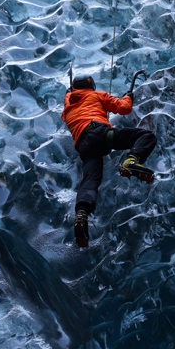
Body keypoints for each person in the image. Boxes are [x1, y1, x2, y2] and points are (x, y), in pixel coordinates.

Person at [60, 74, 157, 248]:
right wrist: (129, 96)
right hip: (99, 134)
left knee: (90, 180)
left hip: (84, 146)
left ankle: (82, 213)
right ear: (92, 86)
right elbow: (124, 108)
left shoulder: (68, 104)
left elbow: (67, 107)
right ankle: (131, 160)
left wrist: (69, 94)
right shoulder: (97, 95)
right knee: (145, 136)